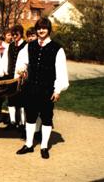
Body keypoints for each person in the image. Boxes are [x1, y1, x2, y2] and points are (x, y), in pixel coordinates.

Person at [15, 17, 69, 159]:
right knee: (30, 117)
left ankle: (44, 147)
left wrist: (57, 90)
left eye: (44, 28)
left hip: (47, 90)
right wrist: (21, 69)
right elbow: (22, 61)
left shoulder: (57, 49)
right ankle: (28, 145)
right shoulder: (30, 45)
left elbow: (61, 71)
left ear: (49, 30)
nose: (41, 30)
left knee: (46, 118)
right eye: (39, 28)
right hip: (31, 88)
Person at [3, 25, 27, 133]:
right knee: (11, 99)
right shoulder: (11, 46)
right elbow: (7, 60)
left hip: (22, 78)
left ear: (21, 34)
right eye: (12, 34)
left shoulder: (26, 45)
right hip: (11, 77)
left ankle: (22, 123)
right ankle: (12, 122)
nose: (14, 36)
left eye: (16, 34)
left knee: (22, 101)